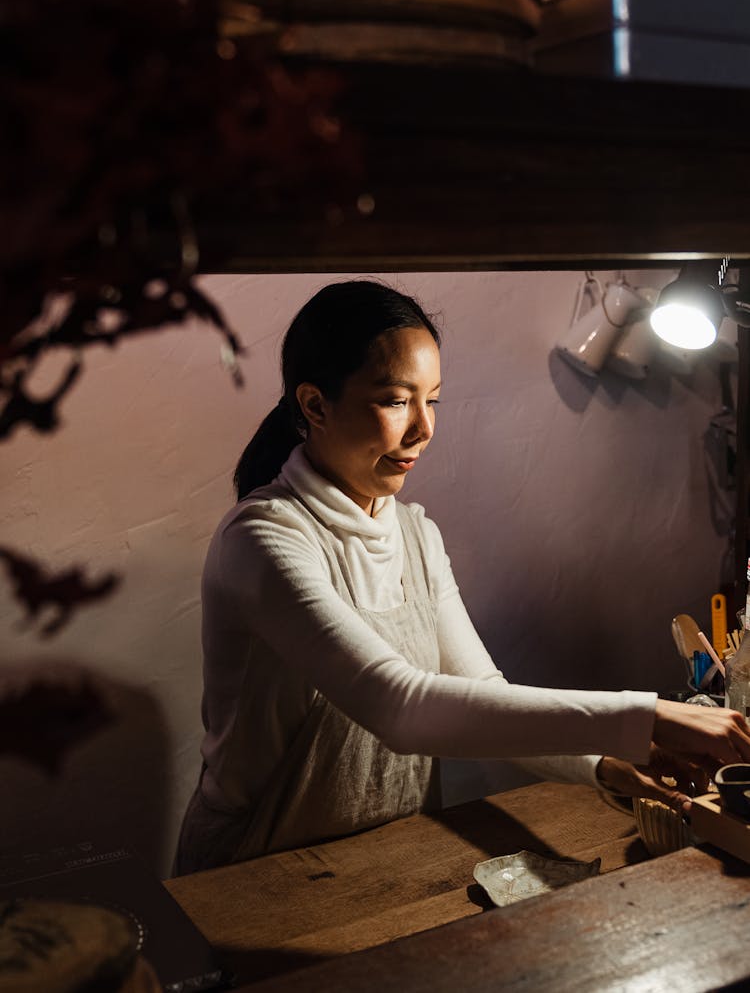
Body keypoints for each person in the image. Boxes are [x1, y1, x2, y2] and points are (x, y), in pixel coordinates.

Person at [174, 279, 750, 873]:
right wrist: (646, 715)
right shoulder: (263, 540)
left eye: (433, 401)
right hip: (252, 875)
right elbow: (400, 705)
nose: (423, 429)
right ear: (316, 405)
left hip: (391, 862)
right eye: (396, 401)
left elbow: (486, 694)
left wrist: (601, 764)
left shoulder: (416, 536)